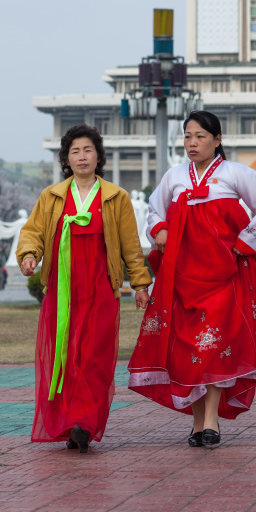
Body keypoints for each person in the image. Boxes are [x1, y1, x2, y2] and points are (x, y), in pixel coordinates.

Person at [128, 110, 256, 448]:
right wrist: (161, 229)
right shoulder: (174, 176)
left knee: (212, 348)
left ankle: (211, 422)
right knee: (187, 350)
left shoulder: (236, 174)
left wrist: (243, 244)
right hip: (182, 278)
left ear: (217, 139)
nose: (192, 143)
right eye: (187, 136)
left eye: (199, 136)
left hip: (224, 276)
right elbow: (154, 209)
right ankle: (198, 424)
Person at [17, 124, 152, 453]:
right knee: (64, 356)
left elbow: (130, 247)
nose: (81, 156)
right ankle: (69, 423)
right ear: (66, 158)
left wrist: (140, 284)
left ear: (99, 156)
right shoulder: (51, 196)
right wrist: (29, 255)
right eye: (75, 151)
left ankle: (84, 424)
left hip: (100, 290)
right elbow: (32, 232)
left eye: (88, 150)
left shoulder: (115, 197)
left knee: (93, 357)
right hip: (63, 291)